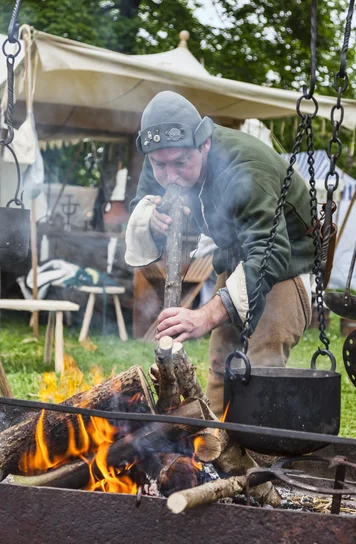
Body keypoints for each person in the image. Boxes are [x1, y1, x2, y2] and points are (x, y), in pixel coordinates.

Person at [125, 91, 313, 415]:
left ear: (205, 144)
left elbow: (269, 251)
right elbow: (142, 201)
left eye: (181, 163)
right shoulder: (164, 154)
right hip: (237, 259)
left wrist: (205, 315)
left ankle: (264, 457)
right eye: (160, 165)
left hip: (283, 265)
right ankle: (213, 449)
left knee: (260, 366)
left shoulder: (244, 169)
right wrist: (150, 219)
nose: (170, 176)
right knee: (221, 364)